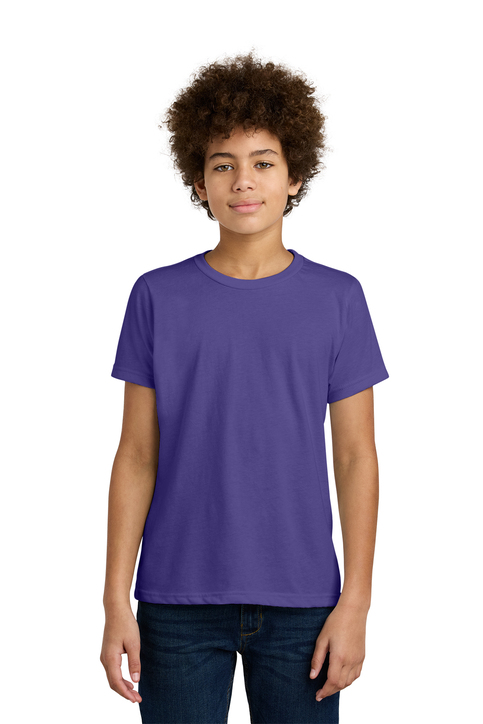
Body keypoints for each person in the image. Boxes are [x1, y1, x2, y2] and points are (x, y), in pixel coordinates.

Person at [100, 51, 389, 724]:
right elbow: (136, 454)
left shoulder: (337, 298)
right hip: (176, 601)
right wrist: (115, 599)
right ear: (198, 181)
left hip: (304, 603)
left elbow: (356, 457)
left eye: (262, 162)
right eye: (222, 165)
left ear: (295, 177)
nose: (243, 181)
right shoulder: (157, 296)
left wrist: (356, 602)